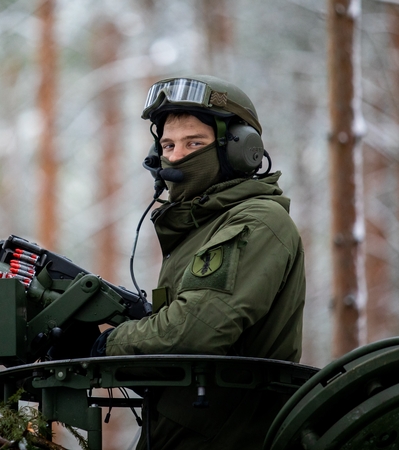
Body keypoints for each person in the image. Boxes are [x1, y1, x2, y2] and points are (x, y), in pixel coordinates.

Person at [101, 75, 306, 449]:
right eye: (167, 145)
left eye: (194, 143)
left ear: (240, 150)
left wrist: (109, 343)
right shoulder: (201, 224)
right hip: (187, 434)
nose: (176, 157)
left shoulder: (254, 221)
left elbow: (195, 331)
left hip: (228, 438)